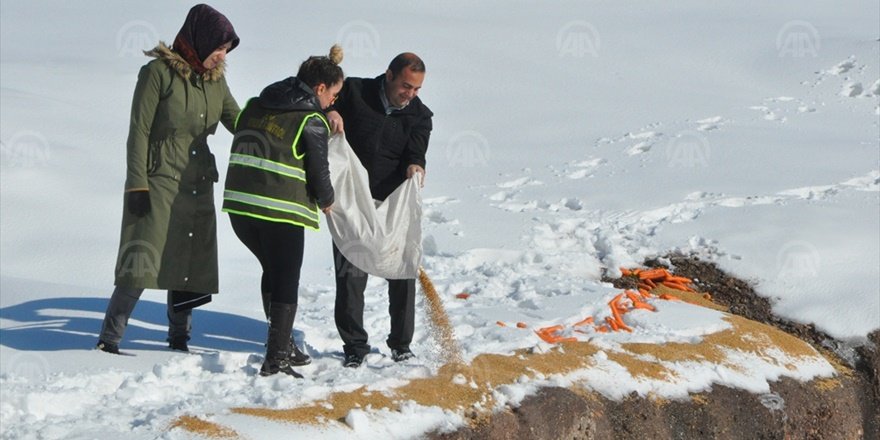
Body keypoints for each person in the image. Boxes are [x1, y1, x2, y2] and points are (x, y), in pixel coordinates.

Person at [96, 4, 240, 354]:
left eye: (226, 50)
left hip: (198, 179)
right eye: (218, 48)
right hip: (158, 178)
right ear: (200, 40)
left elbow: (238, 120)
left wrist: (274, 126)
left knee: (189, 259)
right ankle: (109, 340)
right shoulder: (157, 73)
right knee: (142, 255)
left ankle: (179, 340)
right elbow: (139, 131)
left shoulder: (216, 81)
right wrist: (136, 183)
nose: (221, 56)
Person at [222, 46, 341, 377]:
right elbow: (318, 172)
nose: (334, 102)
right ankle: (275, 358)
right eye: (334, 94)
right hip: (280, 211)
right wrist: (327, 199)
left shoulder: (258, 104)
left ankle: (283, 342)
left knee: (273, 270)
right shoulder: (311, 120)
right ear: (319, 88)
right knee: (286, 278)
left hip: (240, 208)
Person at [326, 52, 433, 368]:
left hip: (391, 205)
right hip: (352, 202)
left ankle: (401, 344)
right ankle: (354, 346)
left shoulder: (420, 116)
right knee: (350, 275)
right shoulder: (355, 92)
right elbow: (323, 94)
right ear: (388, 75)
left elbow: (417, 152)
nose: (410, 94)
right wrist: (331, 111)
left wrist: (416, 166)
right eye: (405, 86)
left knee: (402, 270)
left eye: (416, 89)